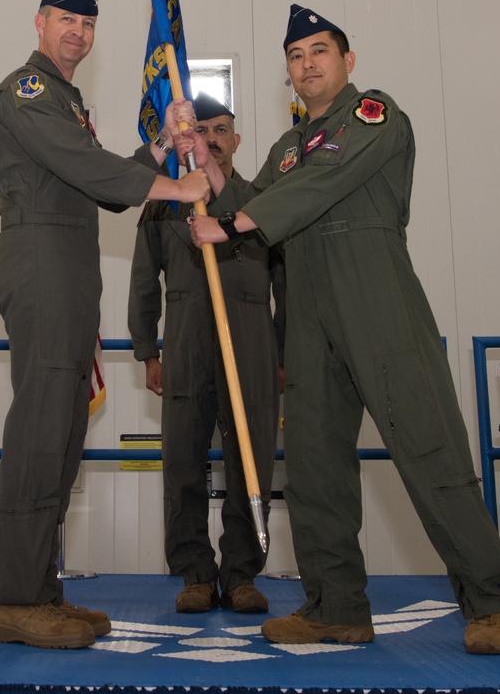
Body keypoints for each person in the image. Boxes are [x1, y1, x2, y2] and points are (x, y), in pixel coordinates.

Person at [184, 5, 500, 654]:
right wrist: (212, 168)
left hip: (378, 305)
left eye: (319, 51)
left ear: (347, 61)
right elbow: (258, 206)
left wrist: (229, 226)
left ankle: (487, 605)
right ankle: (336, 608)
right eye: (296, 56)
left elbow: (319, 187)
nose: (307, 64)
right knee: (312, 468)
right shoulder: (285, 149)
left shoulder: (375, 118)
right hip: (306, 315)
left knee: (430, 452)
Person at [0, 0, 209, 650]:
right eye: (65, 20)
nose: (77, 32)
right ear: (40, 22)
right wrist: (172, 182)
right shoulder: (24, 93)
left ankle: (42, 591)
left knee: (62, 438)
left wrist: (163, 147)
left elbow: (96, 172)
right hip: (41, 258)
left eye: (87, 23)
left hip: (70, 269)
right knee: (40, 432)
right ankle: (17, 600)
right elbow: (84, 166)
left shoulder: (66, 101)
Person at [128, 92, 285, 614]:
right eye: (204, 130)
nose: (212, 139)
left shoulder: (263, 199)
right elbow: (144, 278)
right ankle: (195, 573)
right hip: (189, 341)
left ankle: (241, 574)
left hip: (251, 342)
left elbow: (286, 281)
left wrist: (283, 352)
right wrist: (149, 350)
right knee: (183, 461)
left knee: (250, 458)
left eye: (221, 131)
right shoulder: (166, 199)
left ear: (236, 140)